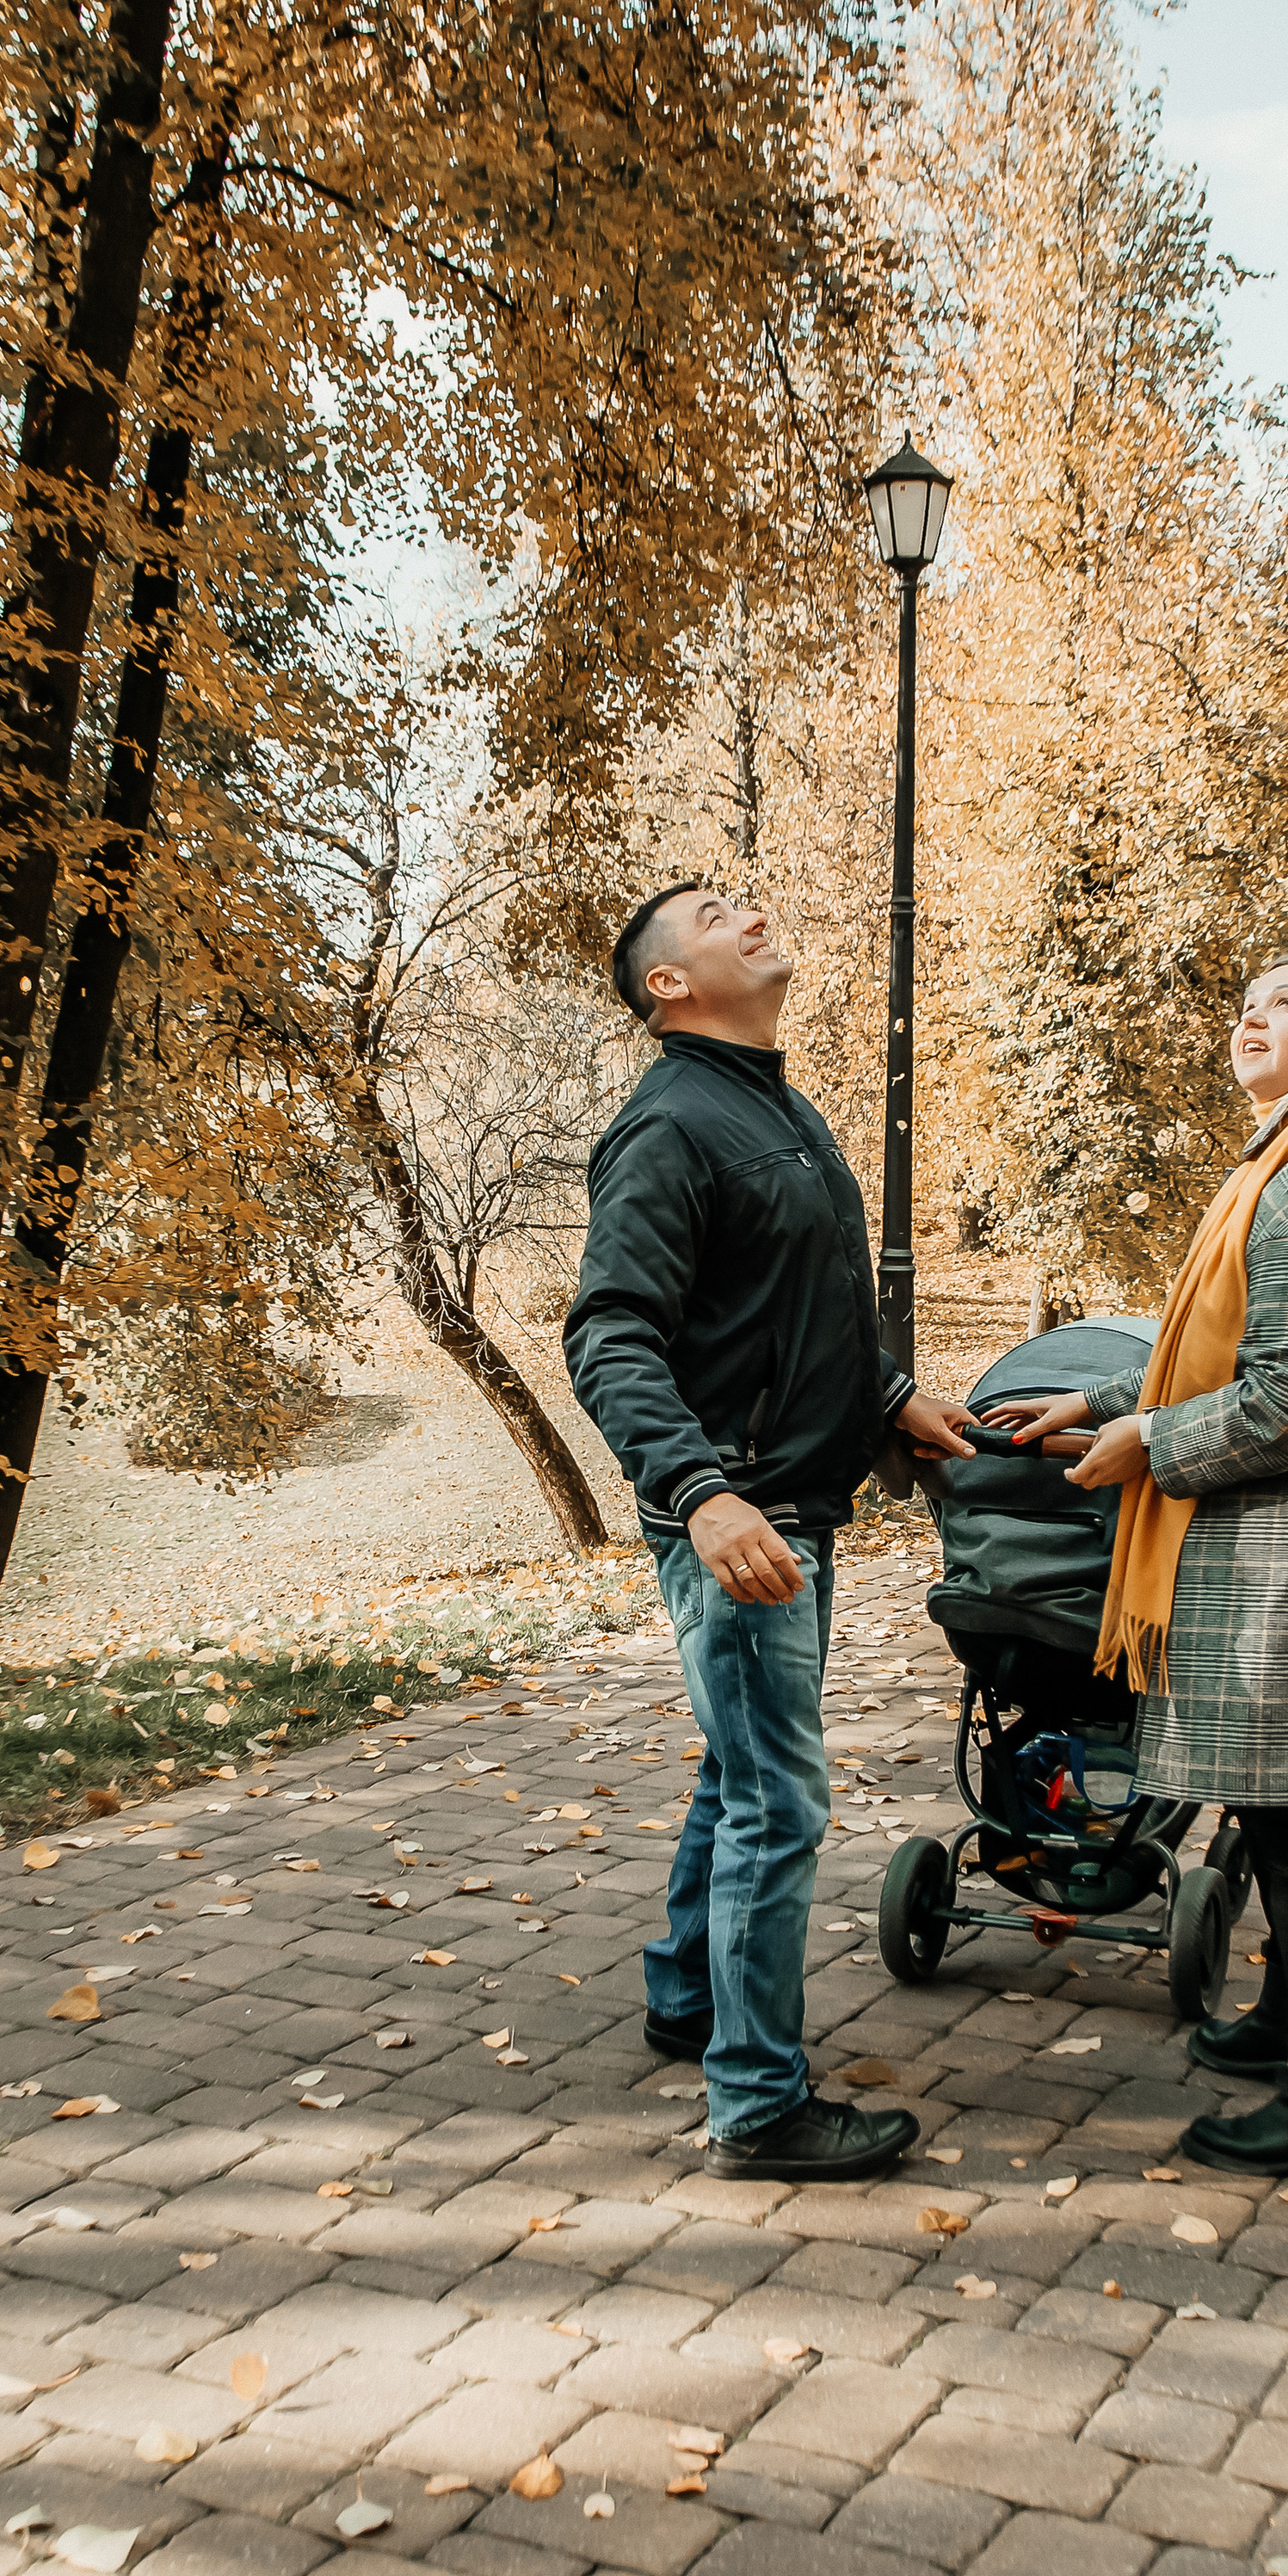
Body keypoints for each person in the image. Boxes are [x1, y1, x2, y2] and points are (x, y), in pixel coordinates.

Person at [998, 956, 1288, 2189]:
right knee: (1280, 1793)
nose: (1252, 1013)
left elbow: (1284, 1409)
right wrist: (1096, 1396)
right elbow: (1230, 1352)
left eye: (1287, 1002)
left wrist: (1143, 1441)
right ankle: (1282, 2024)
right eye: (1244, 998)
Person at [564, 879, 975, 2181]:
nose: (749, 911)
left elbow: (786, 1311)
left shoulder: (773, 1105)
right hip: (739, 1515)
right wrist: (704, 1489)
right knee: (774, 1798)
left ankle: (688, 2000)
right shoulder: (669, 1124)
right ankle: (756, 2103)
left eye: (745, 897)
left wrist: (892, 1396)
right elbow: (610, 1332)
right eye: (713, 910)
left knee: (735, 1769)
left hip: (788, 1499)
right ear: (665, 986)